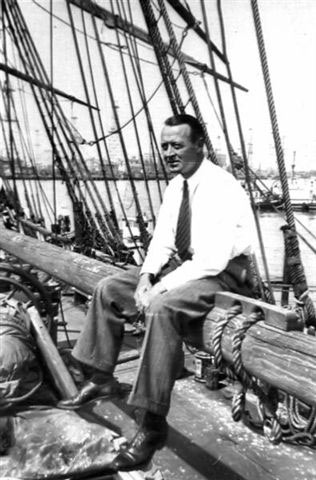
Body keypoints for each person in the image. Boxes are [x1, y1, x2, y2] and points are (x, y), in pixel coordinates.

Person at [59, 114, 257, 471]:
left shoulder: (220, 187)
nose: (169, 152)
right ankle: (101, 377)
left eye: (177, 145)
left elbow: (211, 262)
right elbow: (164, 241)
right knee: (108, 288)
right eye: (164, 145)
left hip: (224, 273)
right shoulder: (176, 186)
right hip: (187, 266)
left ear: (200, 145)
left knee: (162, 309)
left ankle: (151, 425)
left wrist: (161, 288)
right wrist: (147, 277)